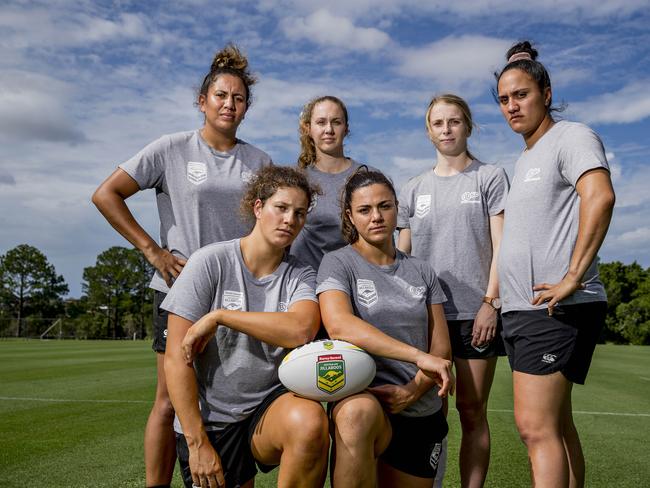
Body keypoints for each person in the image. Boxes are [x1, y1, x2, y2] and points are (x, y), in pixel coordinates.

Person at [91, 43, 272, 487]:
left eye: (239, 98)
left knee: (229, 400)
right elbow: (105, 194)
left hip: (237, 296)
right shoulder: (170, 149)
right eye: (221, 96)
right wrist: (153, 251)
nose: (229, 105)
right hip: (180, 291)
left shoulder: (260, 162)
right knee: (170, 401)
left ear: (247, 107)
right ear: (202, 101)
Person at [495, 41, 615, 488]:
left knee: (534, 427)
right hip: (525, 310)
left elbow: (599, 197)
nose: (512, 106)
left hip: (553, 308)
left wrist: (572, 277)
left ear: (546, 92)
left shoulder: (572, 136)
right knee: (557, 427)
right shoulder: (528, 155)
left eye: (521, 94)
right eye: (504, 99)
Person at [163, 165, 329, 488]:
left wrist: (220, 316)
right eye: (280, 208)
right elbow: (175, 358)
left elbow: (300, 330)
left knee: (310, 421)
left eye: (299, 213)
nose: (289, 220)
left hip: (267, 410)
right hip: (213, 421)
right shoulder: (209, 262)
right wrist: (197, 444)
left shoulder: (301, 275)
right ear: (258, 207)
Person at [397, 94, 509, 488]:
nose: (446, 129)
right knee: (433, 411)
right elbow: (403, 255)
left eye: (454, 121)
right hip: (427, 319)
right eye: (438, 123)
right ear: (428, 132)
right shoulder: (412, 189)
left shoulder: (489, 177)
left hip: (473, 314)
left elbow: (502, 246)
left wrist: (490, 303)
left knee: (472, 410)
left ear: (468, 126)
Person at [317, 169, 455, 488]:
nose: (376, 216)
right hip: (367, 405)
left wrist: (412, 390)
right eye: (364, 210)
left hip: (419, 406)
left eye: (385, 206)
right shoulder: (338, 263)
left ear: (397, 209)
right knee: (355, 414)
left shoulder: (421, 271)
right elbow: (339, 325)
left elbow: (441, 348)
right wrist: (418, 357)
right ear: (350, 216)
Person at [290, 95, 374, 271]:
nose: (329, 129)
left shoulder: (367, 178)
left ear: (346, 129)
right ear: (308, 129)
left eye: (336, 122)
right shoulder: (295, 180)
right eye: (321, 122)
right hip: (304, 283)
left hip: (355, 280)